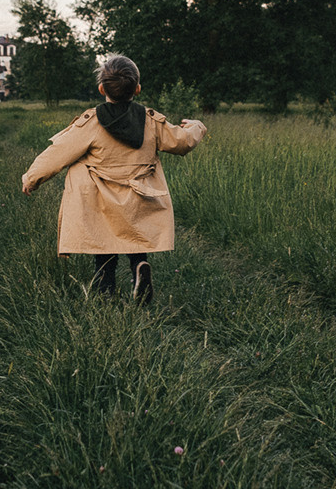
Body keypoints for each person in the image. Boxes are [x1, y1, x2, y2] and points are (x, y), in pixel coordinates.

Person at [19, 54, 206, 303]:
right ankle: (139, 267)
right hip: (139, 198)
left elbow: (58, 153)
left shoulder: (92, 123)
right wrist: (196, 126)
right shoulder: (151, 121)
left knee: (103, 248)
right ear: (137, 89)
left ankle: (105, 293)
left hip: (100, 202)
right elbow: (182, 142)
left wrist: (32, 178)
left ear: (101, 88)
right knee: (135, 239)